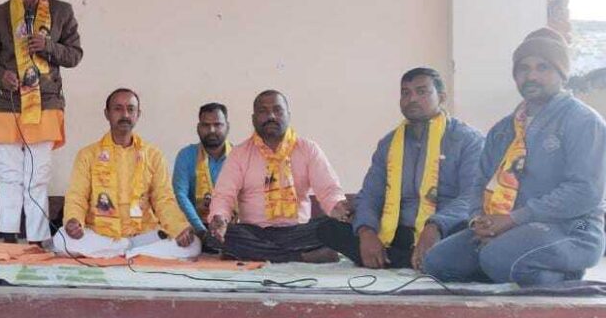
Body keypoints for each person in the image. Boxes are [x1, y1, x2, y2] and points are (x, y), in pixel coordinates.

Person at [424, 29, 606, 285]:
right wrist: (480, 221)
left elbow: (585, 192)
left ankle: (561, 273)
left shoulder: (583, 121)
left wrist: (512, 219)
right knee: (437, 262)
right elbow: (480, 183)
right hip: (511, 227)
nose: (531, 76)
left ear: (561, 73)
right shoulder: (503, 130)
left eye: (543, 67)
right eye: (523, 69)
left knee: (497, 257)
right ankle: (518, 268)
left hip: (576, 227)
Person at [317, 68, 484, 269]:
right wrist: (367, 232)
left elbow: (472, 197)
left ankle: (403, 259)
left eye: (421, 91)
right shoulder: (389, 144)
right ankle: (418, 260)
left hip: (445, 230)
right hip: (398, 231)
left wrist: (435, 226)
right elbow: (370, 194)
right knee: (328, 228)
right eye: (406, 93)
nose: (412, 99)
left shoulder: (467, 140)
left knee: (471, 239)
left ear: (441, 97)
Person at [0, 0, 83, 243]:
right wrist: (1, 76)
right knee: (9, 174)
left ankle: (37, 238)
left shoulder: (61, 11)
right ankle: (9, 235)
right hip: (6, 102)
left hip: (45, 102)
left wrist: (48, 46)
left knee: (37, 175)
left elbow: (75, 55)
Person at [53, 89, 198, 259]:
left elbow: (164, 199)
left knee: (194, 244)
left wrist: (179, 228)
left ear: (138, 114)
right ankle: (130, 252)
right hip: (101, 235)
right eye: (118, 109)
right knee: (61, 239)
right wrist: (73, 220)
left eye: (130, 109)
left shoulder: (153, 155)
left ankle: (122, 251)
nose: (125, 115)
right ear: (107, 114)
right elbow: (77, 196)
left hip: (144, 235)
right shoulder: (88, 155)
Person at [208, 90, 348, 263]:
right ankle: (301, 257)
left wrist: (338, 208)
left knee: (332, 228)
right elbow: (224, 195)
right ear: (253, 119)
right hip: (255, 231)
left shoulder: (308, 149)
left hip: (297, 232)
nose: (271, 116)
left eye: (277, 110)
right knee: (223, 235)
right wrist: (220, 218)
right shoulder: (239, 153)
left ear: (288, 115)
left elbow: (329, 190)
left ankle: (264, 254)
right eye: (263, 111)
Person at [172, 102, 232, 249]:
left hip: (230, 227)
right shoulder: (186, 155)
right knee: (183, 246)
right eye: (206, 125)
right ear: (198, 128)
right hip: (195, 226)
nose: (212, 130)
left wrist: (222, 228)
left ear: (227, 127)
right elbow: (180, 195)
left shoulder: (238, 157)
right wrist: (201, 231)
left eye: (217, 125)